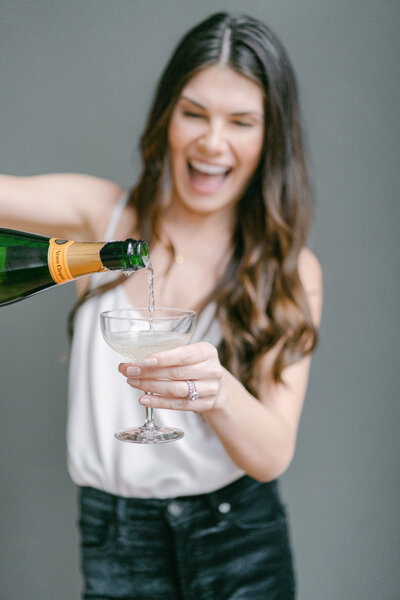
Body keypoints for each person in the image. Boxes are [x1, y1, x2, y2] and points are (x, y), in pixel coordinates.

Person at [0, 12, 322, 600]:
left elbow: (272, 455)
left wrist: (218, 390)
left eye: (241, 122)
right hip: (114, 538)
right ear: (167, 116)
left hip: (239, 542)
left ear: (269, 136)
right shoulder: (102, 219)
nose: (212, 142)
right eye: (194, 113)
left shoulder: (288, 269)